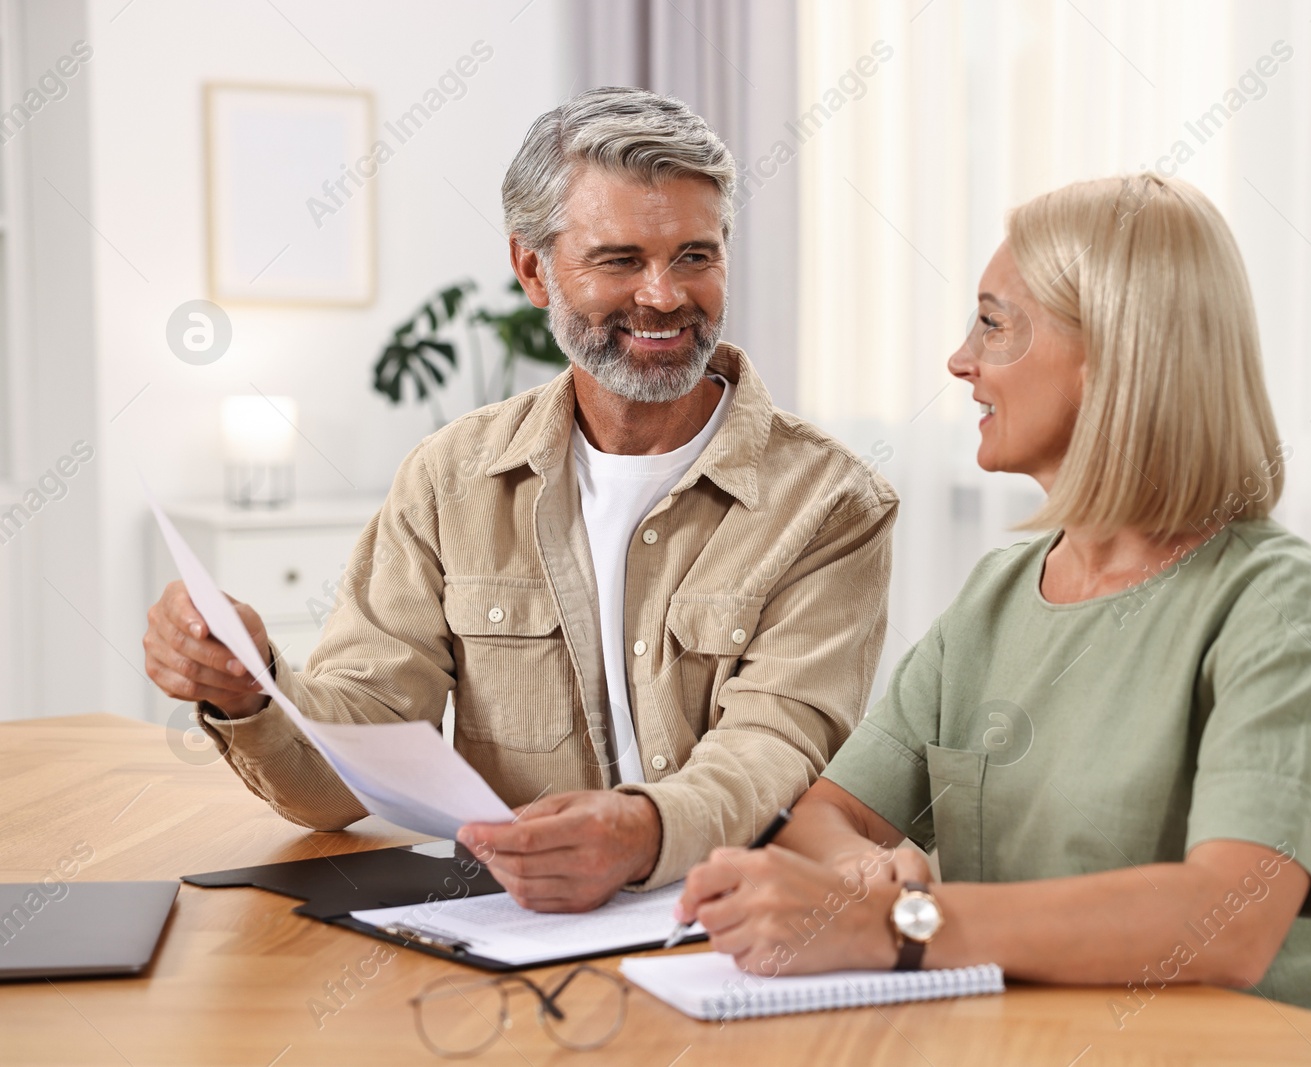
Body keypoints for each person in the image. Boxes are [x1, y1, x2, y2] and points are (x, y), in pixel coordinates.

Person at [676, 173, 1311, 1037]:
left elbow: (1230, 916)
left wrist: (900, 927)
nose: (960, 359)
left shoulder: (1278, 601)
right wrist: (869, 875)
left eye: (994, 323)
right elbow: (828, 814)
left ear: (1116, 353)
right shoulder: (996, 598)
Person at [142, 87, 897, 912]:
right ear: (533, 269)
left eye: (694, 255)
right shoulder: (449, 477)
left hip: (732, 930)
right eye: (619, 260)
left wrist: (640, 829)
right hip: (512, 933)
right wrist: (252, 690)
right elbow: (355, 761)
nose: (664, 294)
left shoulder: (831, 502)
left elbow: (774, 745)